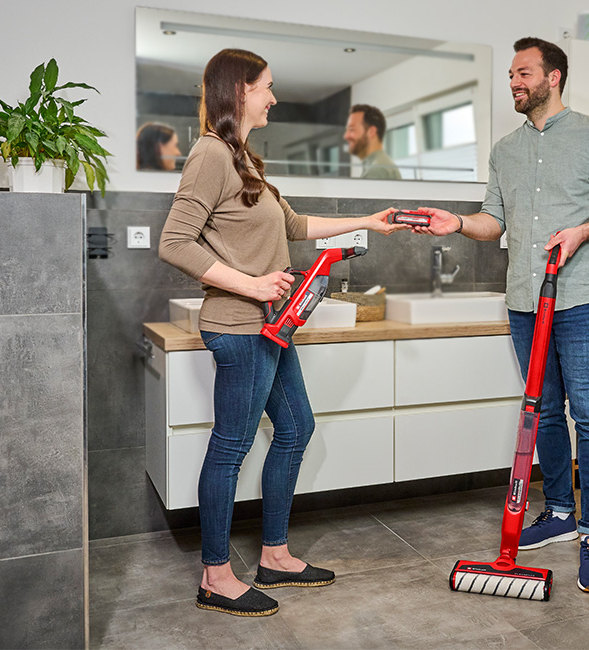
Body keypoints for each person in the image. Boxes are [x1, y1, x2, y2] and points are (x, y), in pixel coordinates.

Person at [158, 48, 408, 618]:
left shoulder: (243, 157)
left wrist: (367, 222)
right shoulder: (210, 153)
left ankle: (274, 554)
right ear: (239, 91)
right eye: (267, 86)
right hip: (240, 327)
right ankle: (215, 576)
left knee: (295, 427)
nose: (274, 96)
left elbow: (295, 227)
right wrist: (251, 285)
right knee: (231, 447)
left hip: (270, 327)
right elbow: (174, 242)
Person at [413, 37, 589, 594]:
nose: (514, 83)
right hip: (524, 299)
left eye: (523, 73)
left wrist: (584, 230)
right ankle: (560, 512)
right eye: (511, 76)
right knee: (541, 412)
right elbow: (494, 220)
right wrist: (459, 224)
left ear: (554, 77)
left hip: (582, 297)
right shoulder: (504, 150)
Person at [344, 104, 402, 180]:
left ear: (371, 132)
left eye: (352, 129)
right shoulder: (380, 165)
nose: (346, 136)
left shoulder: (376, 171)